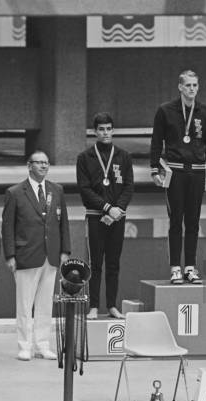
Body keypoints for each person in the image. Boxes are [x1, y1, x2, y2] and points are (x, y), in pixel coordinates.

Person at [2, 151, 71, 361]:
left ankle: (42, 344)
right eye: (39, 163)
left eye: (46, 163)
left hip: (50, 255)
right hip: (26, 255)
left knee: (45, 304)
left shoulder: (56, 190)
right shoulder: (15, 192)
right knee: (24, 304)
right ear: (29, 166)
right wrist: (10, 255)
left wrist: (65, 251)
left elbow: (63, 223)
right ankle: (25, 345)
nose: (43, 166)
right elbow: (7, 227)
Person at [150, 69, 206, 284]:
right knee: (176, 221)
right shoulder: (165, 111)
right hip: (175, 171)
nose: (192, 89)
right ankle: (175, 268)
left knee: (194, 221)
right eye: (188, 85)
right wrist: (154, 169)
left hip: (197, 172)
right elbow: (156, 141)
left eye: (195, 85)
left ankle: (190, 267)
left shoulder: (205, 112)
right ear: (180, 87)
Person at [76, 112, 134, 320]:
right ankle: (93, 306)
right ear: (94, 132)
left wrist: (117, 210)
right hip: (95, 217)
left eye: (109, 129)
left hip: (118, 217)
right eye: (101, 129)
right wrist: (108, 207)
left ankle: (111, 305)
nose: (105, 133)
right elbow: (85, 190)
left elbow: (128, 187)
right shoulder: (85, 158)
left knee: (113, 263)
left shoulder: (123, 156)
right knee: (95, 263)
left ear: (113, 130)